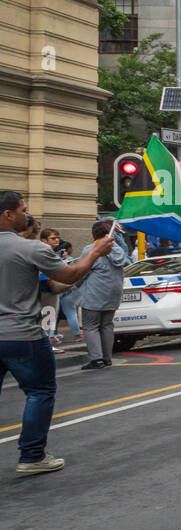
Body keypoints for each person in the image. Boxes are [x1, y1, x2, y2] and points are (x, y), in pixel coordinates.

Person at [0, 191, 113, 474]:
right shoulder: (29, 248)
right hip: (21, 334)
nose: (27, 215)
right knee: (40, 390)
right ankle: (32, 456)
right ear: (8, 215)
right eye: (23, 210)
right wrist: (96, 253)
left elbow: (52, 285)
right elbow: (68, 275)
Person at [74, 220, 129, 370]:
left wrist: (74, 283)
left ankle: (96, 359)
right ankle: (107, 358)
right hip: (113, 294)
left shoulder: (90, 250)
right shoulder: (118, 250)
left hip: (94, 293)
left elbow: (82, 271)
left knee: (90, 326)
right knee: (107, 325)